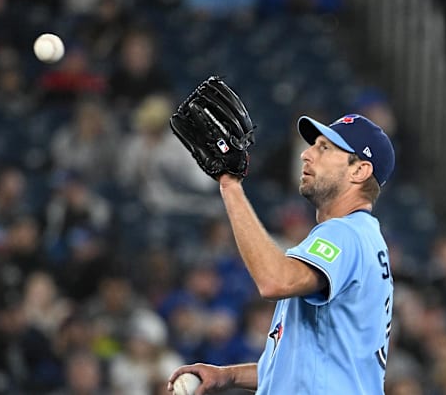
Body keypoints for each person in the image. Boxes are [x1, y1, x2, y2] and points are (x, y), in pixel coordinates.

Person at [168, 113, 396, 394]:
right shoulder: (363, 237)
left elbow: (275, 281)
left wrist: (230, 185)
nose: (306, 154)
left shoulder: (346, 234)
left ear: (359, 171)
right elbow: (301, 367)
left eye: (325, 148)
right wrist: (229, 376)